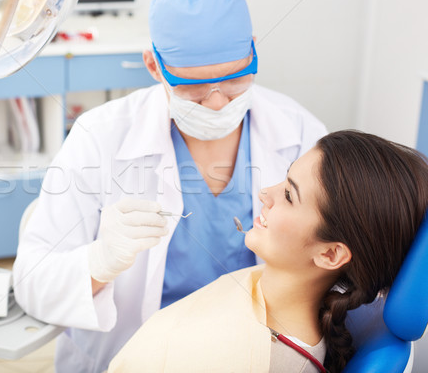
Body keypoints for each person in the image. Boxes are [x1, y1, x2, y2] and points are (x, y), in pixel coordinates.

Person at [13, 0, 326, 372]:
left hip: (245, 350)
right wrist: (99, 263)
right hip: (131, 353)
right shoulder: (100, 135)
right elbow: (32, 283)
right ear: (153, 66)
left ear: (253, 52)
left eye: (233, 81)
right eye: (195, 89)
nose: (215, 103)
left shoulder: (299, 134)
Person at [109, 130, 428, 373]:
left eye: (289, 195)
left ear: (330, 255)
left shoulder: (256, 359)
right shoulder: (262, 297)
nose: (265, 193)